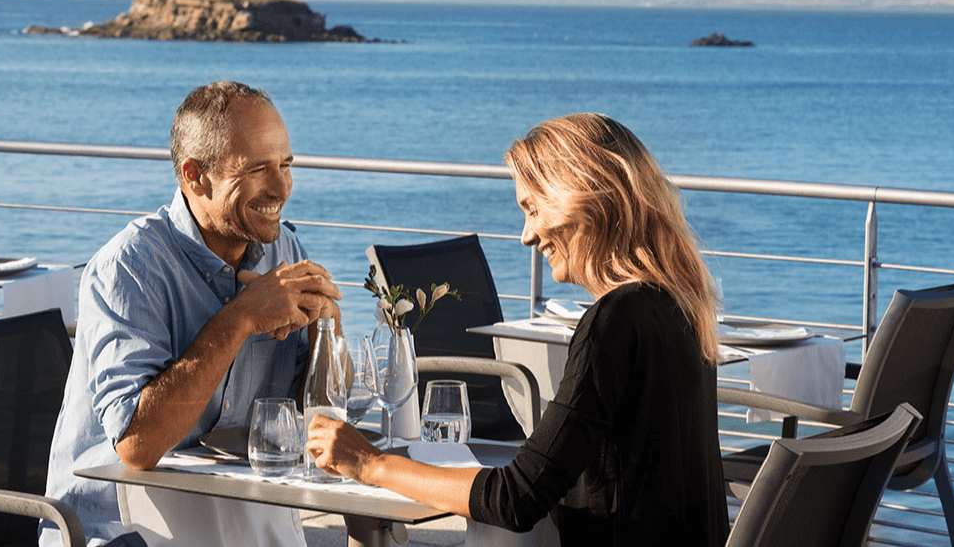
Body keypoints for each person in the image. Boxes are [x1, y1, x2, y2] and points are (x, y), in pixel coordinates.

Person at [308, 113, 730, 545]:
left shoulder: (616, 321)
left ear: (583, 196)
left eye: (532, 208)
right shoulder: (680, 305)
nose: (526, 236)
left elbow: (517, 498)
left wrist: (369, 463)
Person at [41, 81, 340, 546]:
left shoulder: (283, 248)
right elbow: (137, 447)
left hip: (235, 518)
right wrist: (241, 318)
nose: (282, 186)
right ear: (195, 176)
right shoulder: (129, 268)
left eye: (285, 165)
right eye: (258, 168)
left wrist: (327, 330)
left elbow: (314, 420)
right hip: (122, 530)